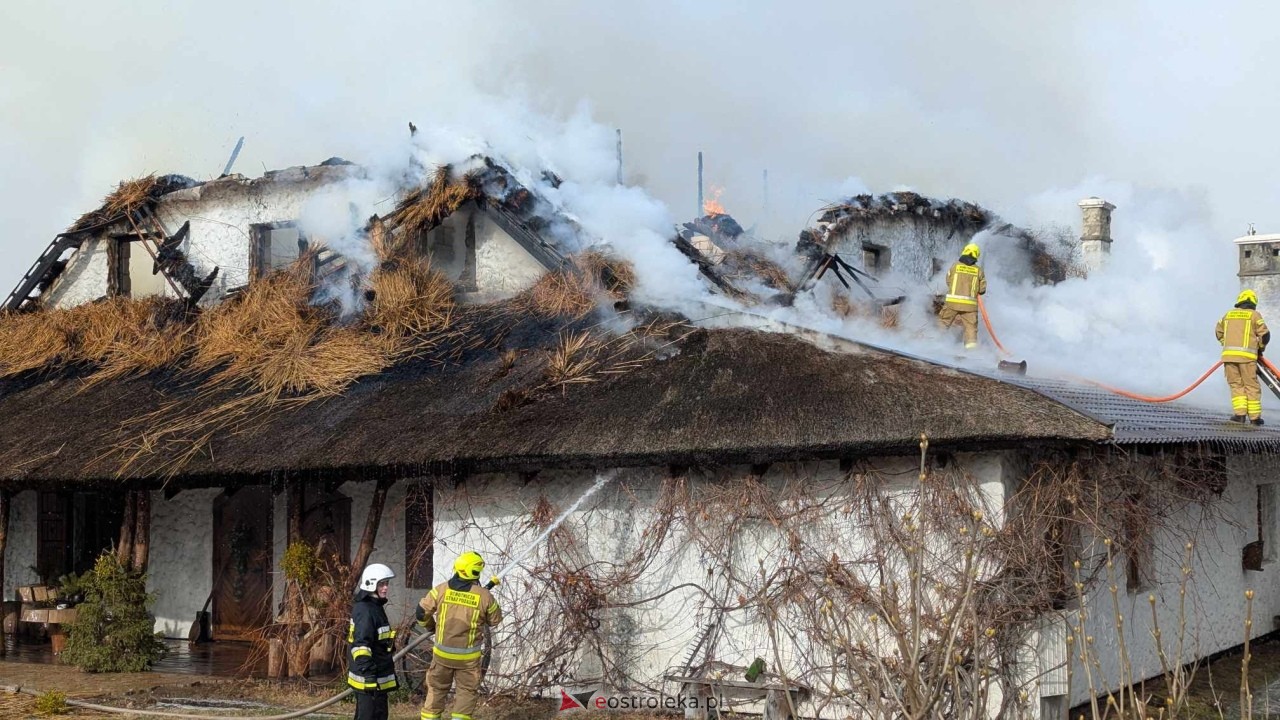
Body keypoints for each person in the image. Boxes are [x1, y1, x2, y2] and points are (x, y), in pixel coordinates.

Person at [417, 551, 503, 720]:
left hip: (442, 657)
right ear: (476, 572)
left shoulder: (440, 590)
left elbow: (421, 613)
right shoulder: (484, 596)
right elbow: (495, 621)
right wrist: (482, 604)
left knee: (436, 691)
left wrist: (431, 627)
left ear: (457, 568)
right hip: (468, 661)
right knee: (466, 694)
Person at [347, 563, 399, 720]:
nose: (385, 588)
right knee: (370, 716)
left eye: (386, 584)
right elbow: (361, 645)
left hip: (376, 674)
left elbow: (376, 638)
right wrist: (368, 675)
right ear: (371, 584)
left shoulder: (374, 606)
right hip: (370, 678)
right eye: (382, 584)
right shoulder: (366, 610)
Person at [1216, 289, 1270, 424]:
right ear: (1253, 302)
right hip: (1247, 358)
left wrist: (1226, 344)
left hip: (1229, 357)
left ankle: (1239, 415)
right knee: (1251, 386)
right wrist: (1260, 349)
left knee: (1236, 385)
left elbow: (1218, 332)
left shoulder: (1228, 315)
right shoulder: (1254, 315)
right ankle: (1255, 418)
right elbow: (1265, 335)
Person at [937, 243, 987, 349]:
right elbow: (982, 290)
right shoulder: (978, 270)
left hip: (952, 303)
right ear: (976, 255)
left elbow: (948, 281)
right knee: (971, 330)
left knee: (943, 323)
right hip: (970, 307)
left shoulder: (955, 266)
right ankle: (971, 353)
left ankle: (936, 345)